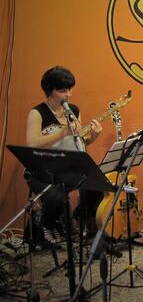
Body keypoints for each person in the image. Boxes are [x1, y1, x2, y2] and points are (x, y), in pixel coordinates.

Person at [25, 66, 102, 242]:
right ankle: (47, 224)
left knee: (99, 183)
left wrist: (93, 136)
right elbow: (32, 143)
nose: (68, 95)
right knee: (57, 196)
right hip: (42, 170)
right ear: (49, 91)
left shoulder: (73, 111)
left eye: (69, 89)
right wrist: (62, 133)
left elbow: (78, 142)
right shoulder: (37, 113)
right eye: (62, 91)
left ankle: (78, 219)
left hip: (67, 166)